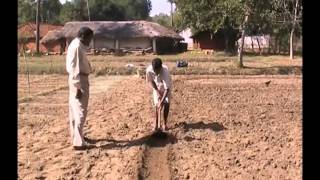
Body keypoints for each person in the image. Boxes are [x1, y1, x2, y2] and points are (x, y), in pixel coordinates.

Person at [66, 27, 94, 150]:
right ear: (83, 36)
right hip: (79, 80)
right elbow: (74, 68)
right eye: (89, 38)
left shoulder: (76, 44)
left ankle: (77, 136)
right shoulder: (77, 47)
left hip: (76, 79)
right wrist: (78, 87)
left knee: (74, 110)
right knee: (81, 110)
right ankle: (78, 142)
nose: (90, 41)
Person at [146, 58, 172, 131]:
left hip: (166, 87)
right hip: (157, 87)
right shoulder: (149, 70)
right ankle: (156, 125)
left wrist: (162, 101)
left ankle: (164, 124)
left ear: (161, 67)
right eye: (155, 70)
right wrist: (157, 92)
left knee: (166, 103)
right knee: (157, 105)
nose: (156, 72)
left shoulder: (165, 71)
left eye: (157, 70)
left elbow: (167, 89)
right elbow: (151, 81)